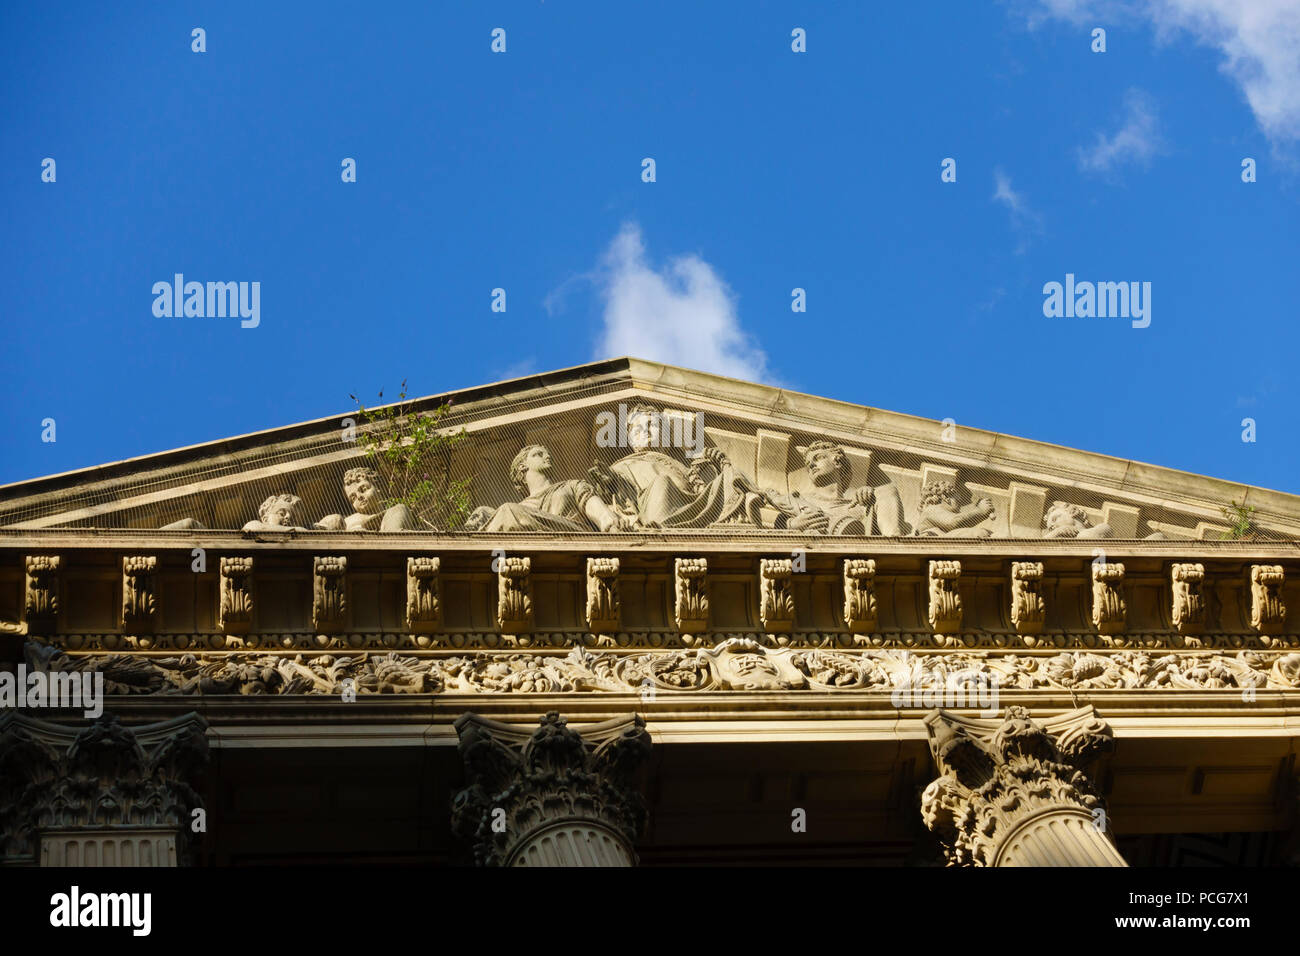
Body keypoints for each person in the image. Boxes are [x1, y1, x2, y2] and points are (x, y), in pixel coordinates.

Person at [465, 444, 636, 532]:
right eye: (538, 454)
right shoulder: (523, 508)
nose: (546, 456)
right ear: (522, 467)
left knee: (506, 511)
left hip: (574, 535)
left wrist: (609, 521)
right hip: (534, 542)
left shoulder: (571, 485)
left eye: (547, 454)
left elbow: (595, 507)